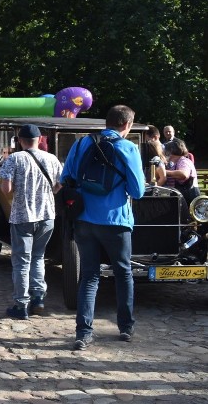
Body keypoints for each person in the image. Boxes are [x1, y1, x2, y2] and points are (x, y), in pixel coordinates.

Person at [61, 105, 145, 350]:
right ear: (127, 125)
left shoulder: (81, 144)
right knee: (123, 273)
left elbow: (67, 177)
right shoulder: (128, 148)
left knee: (89, 276)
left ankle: (83, 332)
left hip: (85, 219)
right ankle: (125, 327)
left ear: (106, 122)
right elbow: (138, 191)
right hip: (116, 220)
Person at [0, 124, 62, 319]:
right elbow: (60, 184)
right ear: (39, 139)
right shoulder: (52, 159)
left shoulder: (14, 159)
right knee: (38, 257)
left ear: (20, 140)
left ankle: (20, 304)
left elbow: (6, 189)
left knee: (21, 261)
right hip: (46, 215)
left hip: (22, 216)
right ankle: (38, 298)